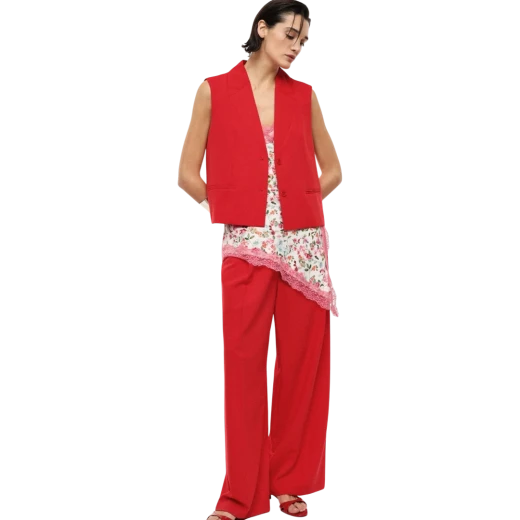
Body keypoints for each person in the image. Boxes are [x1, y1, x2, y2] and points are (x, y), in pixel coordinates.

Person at [177, 1, 343, 518]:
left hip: (302, 249)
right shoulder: (214, 92)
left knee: (300, 370)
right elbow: (188, 174)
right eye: (290, 35)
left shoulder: (303, 98)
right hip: (246, 248)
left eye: (303, 40)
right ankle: (241, 495)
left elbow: (333, 170)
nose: (297, 47)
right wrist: (230, 208)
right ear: (261, 28)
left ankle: (291, 483)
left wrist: (299, 205)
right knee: (245, 371)